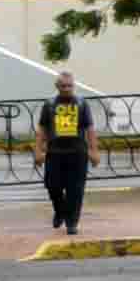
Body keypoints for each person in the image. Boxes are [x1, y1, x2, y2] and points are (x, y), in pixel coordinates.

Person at [37, 68, 98, 234]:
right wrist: (38, 150)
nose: (66, 89)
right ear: (57, 86)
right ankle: (60, 211)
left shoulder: (81, 103)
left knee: (76, 189)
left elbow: (90, 128)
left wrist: (93, 151)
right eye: (63, 86)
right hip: (54, 153)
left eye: (69, 86)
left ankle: (72, 222)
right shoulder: (49, 104)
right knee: (52, 186)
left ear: (74, 86)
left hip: (77, 152)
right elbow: (42, 128)